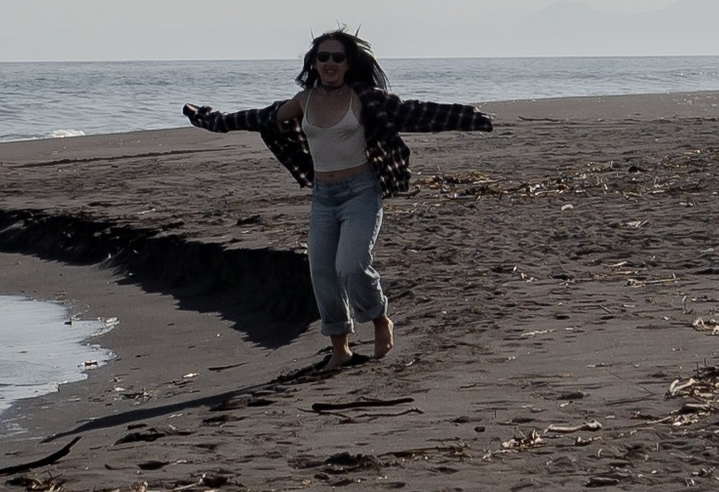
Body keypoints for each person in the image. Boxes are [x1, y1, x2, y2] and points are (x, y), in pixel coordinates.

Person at [183, 32, 495, 371]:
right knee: (321, 273)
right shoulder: (303, 101)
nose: (330, 63)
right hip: (323, 198)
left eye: (337, 58)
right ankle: (340, 347)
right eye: (323, 57)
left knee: (351, 265)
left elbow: (415, 113)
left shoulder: (364, 98)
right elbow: (257, 118)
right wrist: (209, 119)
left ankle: (379, 320)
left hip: (361, 192)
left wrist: (471, 117)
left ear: (349, 64)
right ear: (313, 63)